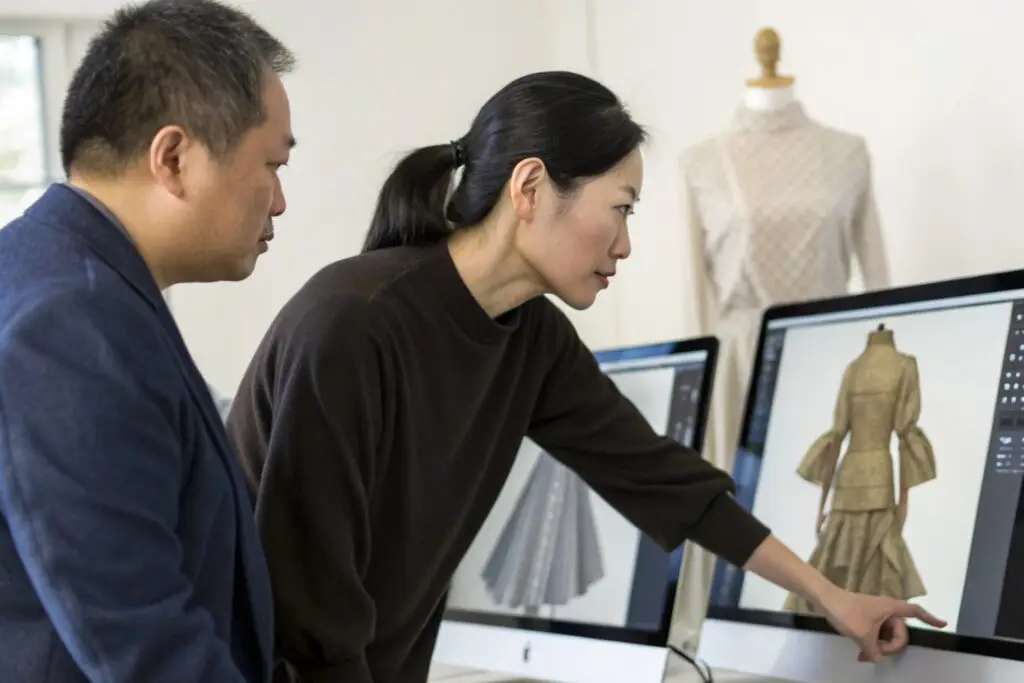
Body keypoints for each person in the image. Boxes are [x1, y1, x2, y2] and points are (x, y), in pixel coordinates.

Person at [226, 71, 944, 683]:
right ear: (532, 186)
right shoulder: (354, 324)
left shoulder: (532, 339)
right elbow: (308, 605)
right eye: (621, 209)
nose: (626, 244)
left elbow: (663, 477)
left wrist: (832, 595)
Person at [0, 1, 295, 682]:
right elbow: (141, 640)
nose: (278, 201)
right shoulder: (70, 322)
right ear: (173, 158)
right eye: (270, 165)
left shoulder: (60, 275)